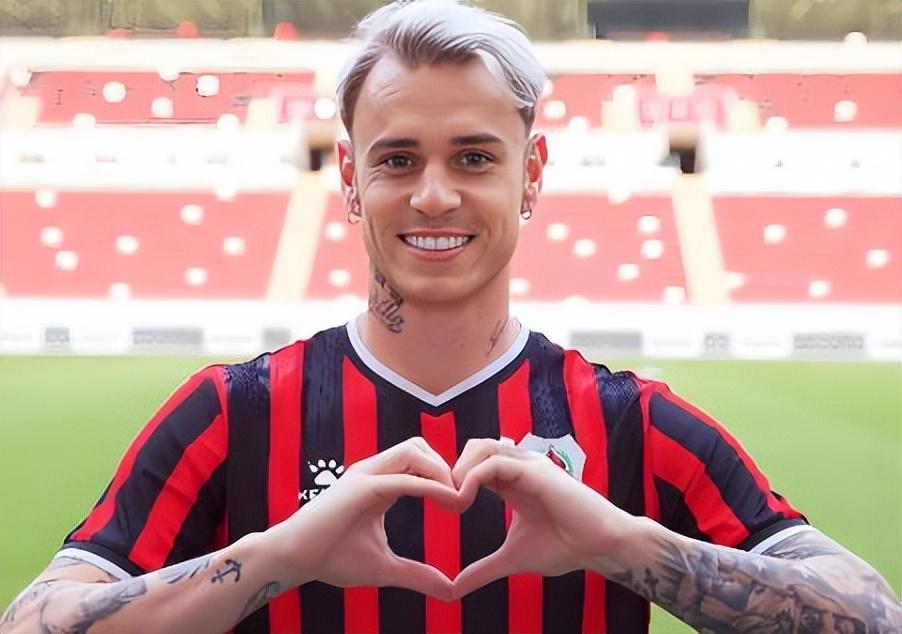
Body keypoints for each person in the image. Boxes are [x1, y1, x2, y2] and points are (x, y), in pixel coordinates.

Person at [2, 2, 900, 633]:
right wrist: (281, 556)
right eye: (397, 159)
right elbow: (36, 620)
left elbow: (871, 613)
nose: (434, 196)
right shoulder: (233, 414)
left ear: (531, 173)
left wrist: (618, 540)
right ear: (351, 179)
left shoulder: (633, 423)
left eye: (474, 157)